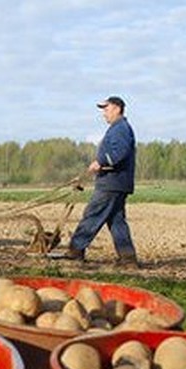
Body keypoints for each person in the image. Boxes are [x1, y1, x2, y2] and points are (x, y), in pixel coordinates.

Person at [52, 95, 139, 267]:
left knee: (92, 214)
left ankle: (75, 250)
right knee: (116, 221)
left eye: (106, 109)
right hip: (118, 182)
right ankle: (128, 259)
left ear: (117, 109)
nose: (104, 114)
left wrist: (101, 161)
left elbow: (119, 152)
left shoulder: (120, 128)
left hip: (111, 183)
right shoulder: (119, 128)